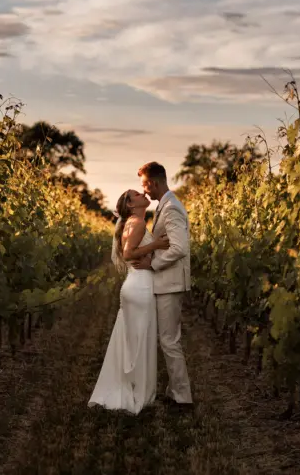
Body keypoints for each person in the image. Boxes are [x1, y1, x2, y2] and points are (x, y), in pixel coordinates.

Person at [88, 189, 170, 414]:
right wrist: (155, 246)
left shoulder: (135, 221)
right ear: (131, 205)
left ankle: (133, 388)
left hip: (136, 285)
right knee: (140, 340)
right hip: (140, 287)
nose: (143, 193)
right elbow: (128, 253)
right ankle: (139, 394)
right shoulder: (138, 223)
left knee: (134, 339)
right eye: (137, 194)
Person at [131, 162, 193, 407]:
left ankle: (183, 398)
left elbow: (179, 248)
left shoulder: (172, 209)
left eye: (144, 185)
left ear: (154, 183)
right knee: (168, 339)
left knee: (169, 340)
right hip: (167, 283)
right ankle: (173, 390)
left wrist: (152, 264)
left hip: (170, 283)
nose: (144, 191)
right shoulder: (165, 206)